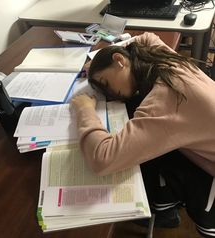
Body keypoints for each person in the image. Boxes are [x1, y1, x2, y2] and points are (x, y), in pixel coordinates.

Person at [71, 32, 215, 237]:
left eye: (105, 82)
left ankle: (159, 209)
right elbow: (146, 37)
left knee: (142, 167)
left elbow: (102, 158)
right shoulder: (159, 56)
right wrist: (99, 61)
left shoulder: (164, 100)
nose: (108, 92)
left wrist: (84, 109)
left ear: (119, 60)